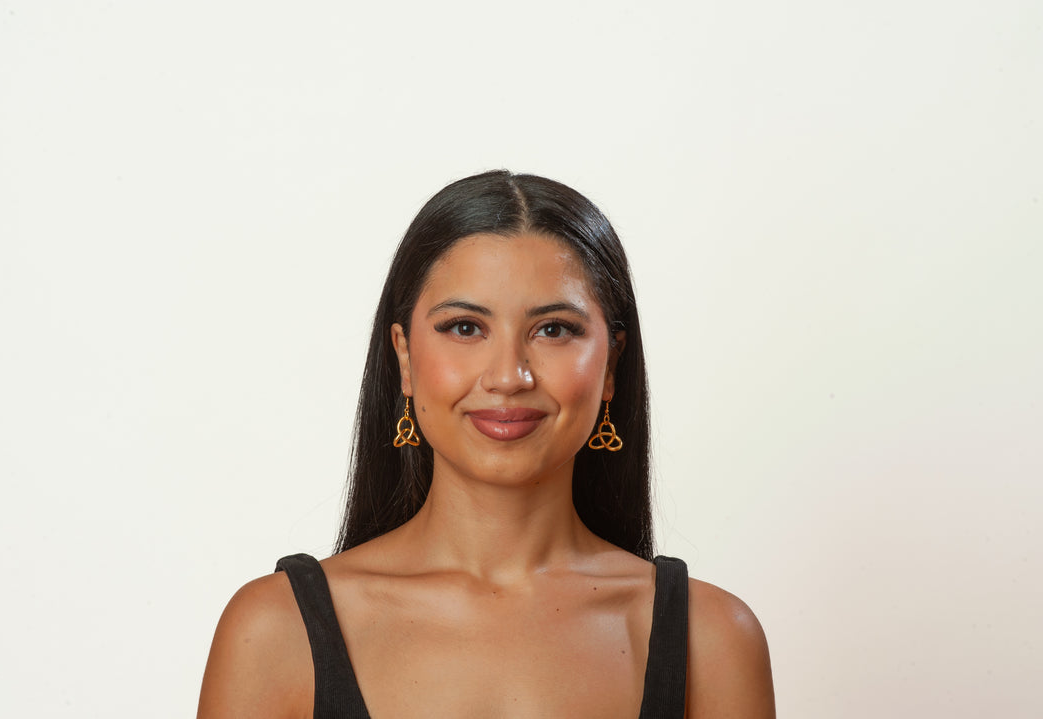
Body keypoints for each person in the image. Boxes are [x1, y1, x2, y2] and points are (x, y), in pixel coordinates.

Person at [197, 170, 775, 718]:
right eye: (465, 328)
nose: (508, 376)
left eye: (553, 330)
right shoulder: (275, 632)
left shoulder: (713, 641)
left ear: (611, 366)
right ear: (403, 355)